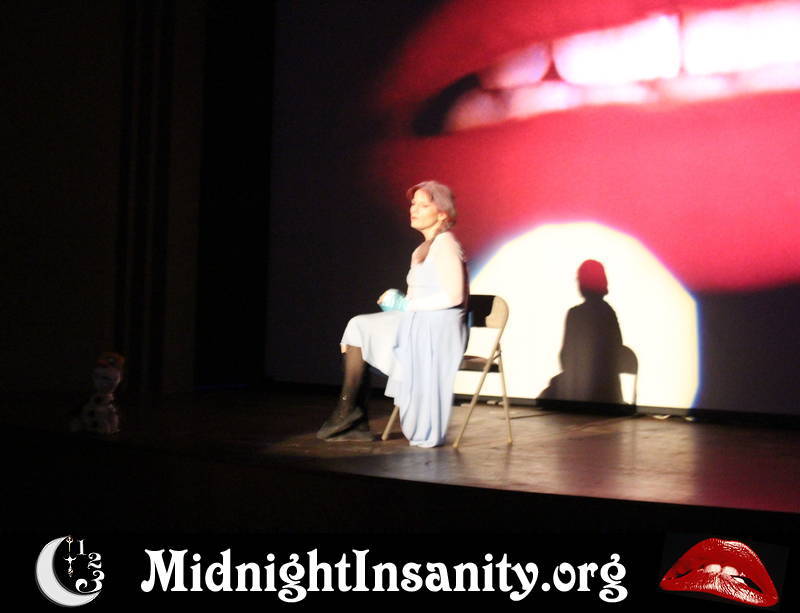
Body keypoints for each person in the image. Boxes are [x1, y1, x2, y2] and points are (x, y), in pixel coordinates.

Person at [317, 180, 468, 447]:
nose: (414, 209)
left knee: (360, 328)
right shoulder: (420, 250)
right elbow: (415, 298)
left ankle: (349, 418)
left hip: (439, 326)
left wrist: (405, 306)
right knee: (358, 328)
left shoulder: (446, 244)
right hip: (419, 318)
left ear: (442, 214)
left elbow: (455, 297)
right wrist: (395, 301)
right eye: (413, 204)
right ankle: (349, 417)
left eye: (423, 205)